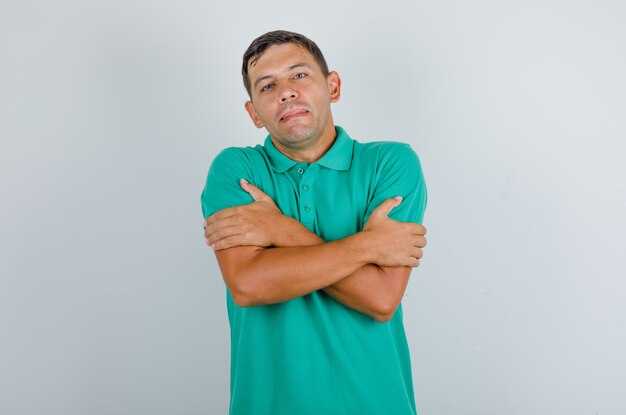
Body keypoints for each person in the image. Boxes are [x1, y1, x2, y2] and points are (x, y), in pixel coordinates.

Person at [201, 30, 428, 415]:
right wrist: (369, 246)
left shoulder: (390, 163)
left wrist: (280, 230)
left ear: (333, 86)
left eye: (299, 75)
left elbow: (380, 298)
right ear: (254, 112)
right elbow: (248, 283)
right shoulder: (236, 170)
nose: (286, 92)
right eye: (267, 85)